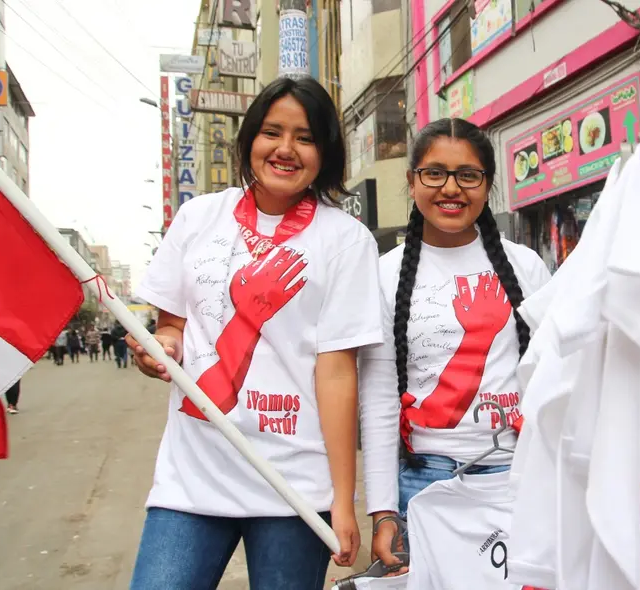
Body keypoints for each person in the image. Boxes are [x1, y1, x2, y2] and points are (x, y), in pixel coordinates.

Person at [125, 75, 382, 590]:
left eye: (305, 137)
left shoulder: (345, 240)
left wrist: (343, 500)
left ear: (324, 152)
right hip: (191, 479)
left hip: (293, 488)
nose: (286, 149)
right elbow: (171, 324)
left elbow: (336, 375)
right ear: (249, 141)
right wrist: (162, 347)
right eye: (272, 132)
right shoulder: (199, 217)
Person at [359, 118, 551, 571]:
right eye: (434, 173)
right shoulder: (384, 275)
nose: (451, 188)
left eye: (468, 175)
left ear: (487, 185)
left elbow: (553, 375)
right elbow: (380, 398)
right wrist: (384, 509)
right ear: (412, 182)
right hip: (425, 485)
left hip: (517, 474)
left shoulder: (525, 266)